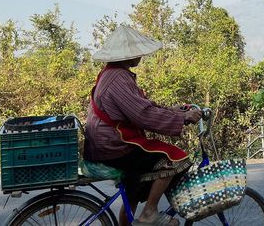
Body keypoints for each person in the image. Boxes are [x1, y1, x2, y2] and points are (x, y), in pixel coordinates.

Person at [84, 25, 202, 226]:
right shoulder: (118, 78)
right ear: (127, 55)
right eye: (137, 51)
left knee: (140, 176)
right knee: (173, 159)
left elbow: (141, 106)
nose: (141, 55)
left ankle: (128, 220)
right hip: (113, 146)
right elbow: (143, 114)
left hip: (106, 143)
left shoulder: (112, 73)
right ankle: (149, 213)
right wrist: (182, 118)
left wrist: (173, 111)